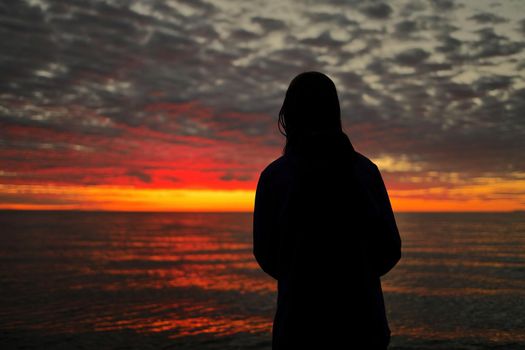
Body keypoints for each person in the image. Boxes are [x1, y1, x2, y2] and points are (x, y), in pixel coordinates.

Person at [253, 71, 402, 349]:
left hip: (299, 328)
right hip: (363, 326)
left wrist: (303, 274)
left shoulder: (275, 177)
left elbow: (267, 255)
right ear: (334, 112)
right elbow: (390, 250)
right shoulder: (365, 172)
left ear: (291, 116)